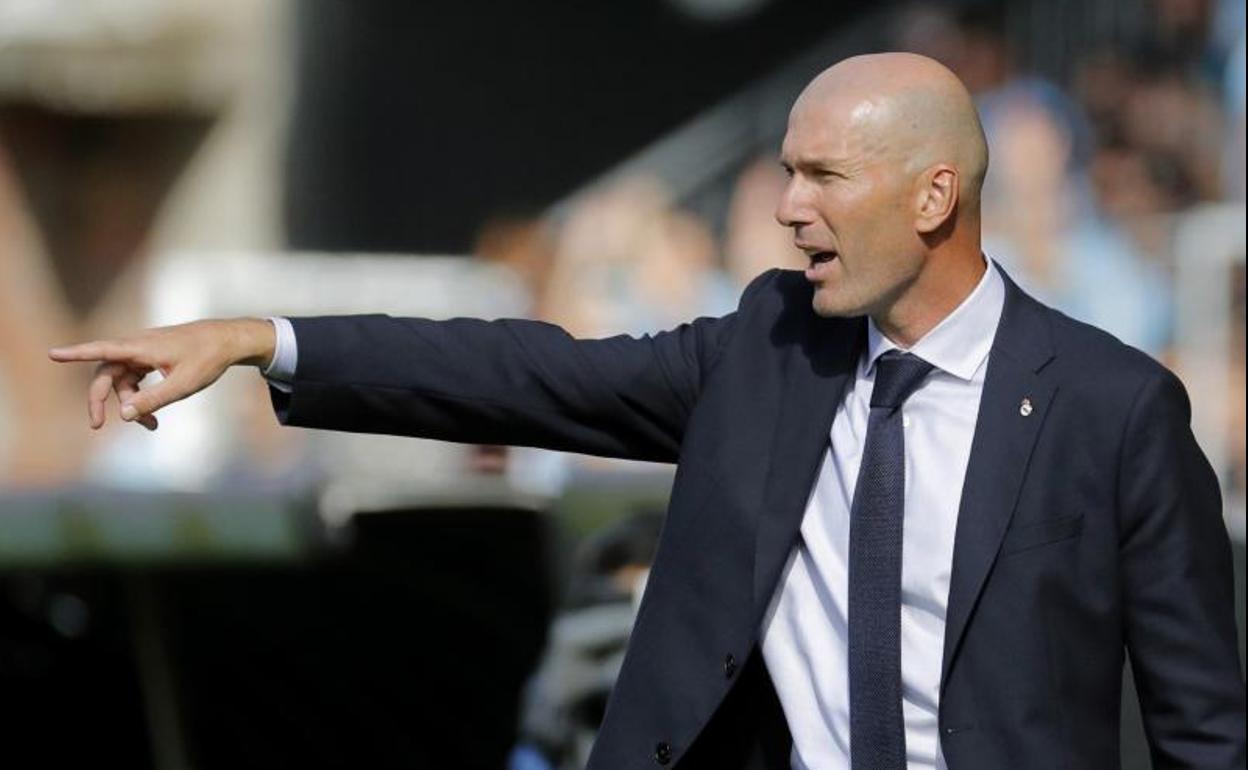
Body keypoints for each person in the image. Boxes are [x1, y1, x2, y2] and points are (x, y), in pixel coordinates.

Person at [49, 53, 1245, 769]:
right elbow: (524, 374)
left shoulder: (1116, 408)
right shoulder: (771, 350)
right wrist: (263, 340)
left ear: (936, 193)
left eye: (825, 174)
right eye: (786, 169)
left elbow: (1202, 728)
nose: (787, 206)